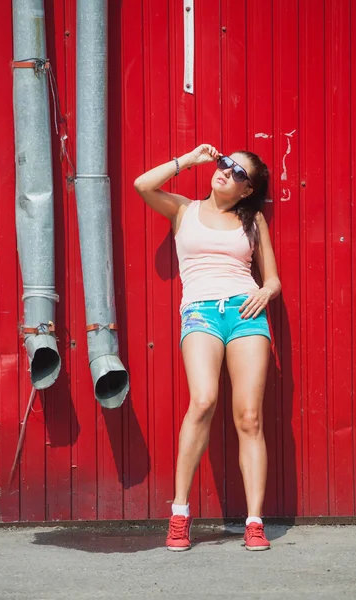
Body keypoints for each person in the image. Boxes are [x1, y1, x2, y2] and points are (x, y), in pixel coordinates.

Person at [134, 144, 281, 552]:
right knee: (203, 401)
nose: (226, 172)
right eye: (225, 163)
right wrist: (189, 160)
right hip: (200, 312)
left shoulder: (253, 222)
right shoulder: (184, 210)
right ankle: (179, 514)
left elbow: (272, 279)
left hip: (246, 313)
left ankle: (254, 522)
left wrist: (266, 292)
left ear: (247, 190)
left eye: (238, 173)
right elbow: (142, 185)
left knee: (249, 417)